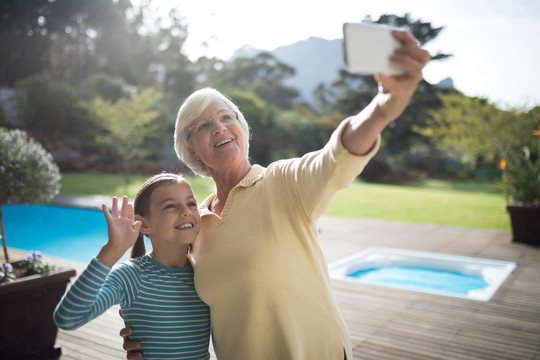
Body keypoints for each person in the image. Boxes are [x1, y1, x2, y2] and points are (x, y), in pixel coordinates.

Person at [122, 30, 430, 359]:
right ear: (191, 150)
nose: (219, 127)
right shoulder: (194, 224)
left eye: (227, 117)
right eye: (203, 125)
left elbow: (334, 158)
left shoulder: (282, 183)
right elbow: (184, 301)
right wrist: (150, 336)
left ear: (242, 130)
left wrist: (381, 109)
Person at [54, 173, 211, 360]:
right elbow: (67, 318)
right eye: (170, 206)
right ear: (143, 225)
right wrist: (112, 250)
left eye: (191, 203)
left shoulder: (205, 273)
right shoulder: (130, 277)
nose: (185, 211)